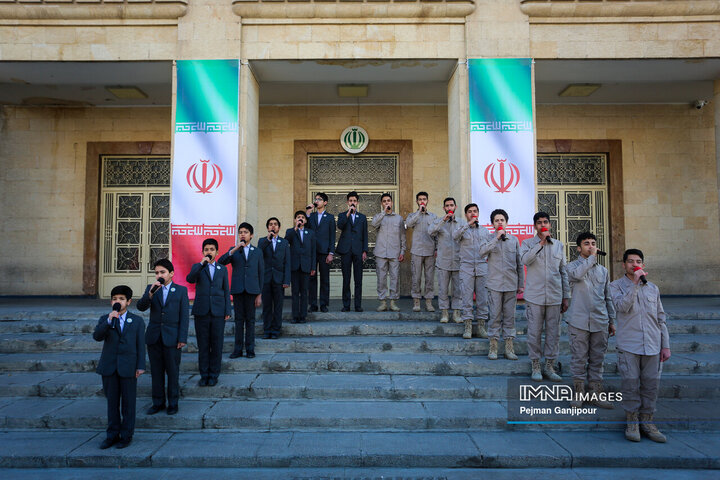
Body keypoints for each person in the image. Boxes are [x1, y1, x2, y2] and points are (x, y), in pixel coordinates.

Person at [611, 248, 671, 443]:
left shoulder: (653, 288)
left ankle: (648, 422)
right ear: (624, 265)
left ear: (643, 265)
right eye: (630, 261)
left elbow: (661, 318)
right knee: (630, 384)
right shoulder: (616, 286)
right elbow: (621, 307)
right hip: (629, 345)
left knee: (651, 386)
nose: (634, 264)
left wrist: (665, 345)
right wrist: (635, 284)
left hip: (653, 345)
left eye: (638, 261)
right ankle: (632, 422)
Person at [566, 232, 616, 408]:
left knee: (597, 359)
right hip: (579, 321)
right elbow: (578, 275)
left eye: (593, 243)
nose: (591, 246)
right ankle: (578, 393)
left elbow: (607, 297)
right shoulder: (571, 267)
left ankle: (596, 394)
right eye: (586, 243)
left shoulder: (603, 271)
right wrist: (592, 258)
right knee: (579, 359)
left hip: (600, 320)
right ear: (579, 248)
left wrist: (612, 320)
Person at [93, 285, 145, 449]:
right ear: (111, 302)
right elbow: (97, 336)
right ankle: (112, 435)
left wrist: (140, 366)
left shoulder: (137, 321)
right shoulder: (105, 319)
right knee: (112, 403)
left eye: (121, 299)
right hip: (109, 367)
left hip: (128, 367)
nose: (118, 302)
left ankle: (126, 435)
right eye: (115, 299)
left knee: (128, 404)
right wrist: (109, 320)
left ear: (128, 302)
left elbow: (140, 346)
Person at [519, 212, 570, 382]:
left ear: (550, 224)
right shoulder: (527, 243)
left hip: (555, 296)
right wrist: (540, 244)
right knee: (534, 332)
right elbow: (525, 260)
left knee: (553, 333)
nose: (543, 225)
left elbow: (563, 271)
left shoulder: (558, 245)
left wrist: (566, 296)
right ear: (535, 226)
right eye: (539, 223)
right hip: (535, 296)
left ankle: (549, 366)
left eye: (546, 222)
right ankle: (535, 365)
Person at [137, 258, 189, 416]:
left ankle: (173, 403)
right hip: (154, 337)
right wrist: (151, 293)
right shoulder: (151, 289)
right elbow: (141, 307)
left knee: (173, 372)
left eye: (163, 272)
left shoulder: (180, 291)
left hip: (172, 337)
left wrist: (182, 338)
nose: (159, 275)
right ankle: (158, 402)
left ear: (171, 273)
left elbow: (184, 316)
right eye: (157, 273)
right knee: (156, 372)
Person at [186, 238, 232, 387]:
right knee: (203, 345)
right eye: (206, 250)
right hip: (202, 312)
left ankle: (214, 375)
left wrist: (227, 310)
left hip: (218, 312)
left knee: (216, 345)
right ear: (202, 252)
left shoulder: (222, 269)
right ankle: (204, 375)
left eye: (212, 249)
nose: (209, 252)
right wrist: (201, 264)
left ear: (217, 252)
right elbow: (190, 279)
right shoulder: (198, 267)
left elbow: (226, 291)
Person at [478, 209, 524, 360]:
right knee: (495, 316)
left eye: (502, 220)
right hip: (494, 285)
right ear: (492, 224)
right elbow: (482, 253)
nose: (499, 222)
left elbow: (519, 263)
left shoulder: (514, 240)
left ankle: (509, 348)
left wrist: (521, 284)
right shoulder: (488, 238)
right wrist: (496, 239)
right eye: (496, 220)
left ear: (506, 222)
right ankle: (493, 347)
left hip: (511, 284)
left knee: (510, 317)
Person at [218, 222, 264, 359]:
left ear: (251, 235)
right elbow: (221, 262)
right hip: (238, 290)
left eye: (245, 232)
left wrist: (259, 294)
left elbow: (261, 273)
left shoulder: (257, 252)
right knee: (238, 321)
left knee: (250, 321)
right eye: (240, 232)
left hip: (252, 291)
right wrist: (235, 249)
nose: (242, 234)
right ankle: (237, 349)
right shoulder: (234, 250)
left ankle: (250, 349)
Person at [453, 203, 490, 339]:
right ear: (466, 214)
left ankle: (481, 326)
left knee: (482, 299)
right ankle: (467, 326)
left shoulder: (485, 231)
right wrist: (468, 225)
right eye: (469, 212)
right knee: (466, 298)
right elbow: (455, 236)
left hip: (481, 266)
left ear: (478, 213)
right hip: (466, 267)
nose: (473, 213)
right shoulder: (462, 229)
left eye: (475, 211)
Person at [429, 197, 462, 324]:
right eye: (447, 206)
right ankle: (444, 313)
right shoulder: (438, 222)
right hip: (443, 262)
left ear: (455, 207)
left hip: (458, 261)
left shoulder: (462, 223)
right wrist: (443, 220)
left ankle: (456, 313)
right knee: (443, 289)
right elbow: (430, 232)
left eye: (451, 205)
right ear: (444, 208)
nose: (449, 208)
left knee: (457, 290)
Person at [371, 193, 407, 312]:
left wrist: (402, 251)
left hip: (395, 253)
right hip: (381, 252)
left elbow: (403, 236)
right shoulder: (378, 216)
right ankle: (382, 302)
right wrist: (383, 213)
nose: (387, 203)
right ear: (382, 204)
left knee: (394, 278)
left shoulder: (399, 218)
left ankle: (393, 302)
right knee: (381, 278)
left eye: (388, 201)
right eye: (384, 201)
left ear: (392, 203)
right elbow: (373, 224)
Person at [258, 217, 291, 338]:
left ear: (279, 227)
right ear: (267, 227)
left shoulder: (284, 242)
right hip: (266, 279)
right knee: (266, 307)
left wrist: (286, 280)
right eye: (270, 224)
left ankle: (276, 330)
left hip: (279, 279)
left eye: (275, 224)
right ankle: (267, 331)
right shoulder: (262, 241)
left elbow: (287, 262)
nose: (273, 226)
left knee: (278, 307)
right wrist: (268, 240)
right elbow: (259, 254)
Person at [405, 191, 438, 312]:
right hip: (417, 251)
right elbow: (408, 224)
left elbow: (437, 234)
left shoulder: (433, 217)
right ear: (417, 202)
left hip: (430, 251)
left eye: (424, 199)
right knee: (416, 277)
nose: (422, 201)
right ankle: (416, 301)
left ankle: (429, 302)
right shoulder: (412, 215)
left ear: (428, 200)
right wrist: (419, 212)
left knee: (429, 278)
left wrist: (437, 249)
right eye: (420, 199)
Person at [336, 191, 368, 312]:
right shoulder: (342, 215)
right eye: (350, 201)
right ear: (347, 202)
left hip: (358, 251)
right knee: (346, 279)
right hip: (346, 251)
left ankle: (358, 305)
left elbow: (365, 235)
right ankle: (346, 305)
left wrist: (365, 250)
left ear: (357, 202)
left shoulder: (363, 217)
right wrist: (348, 213)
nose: (352, 203)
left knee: (358, 279)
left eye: (354, 201)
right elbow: (340, 226)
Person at [306, 192, 336, 313]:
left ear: (325, 202)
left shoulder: (329, 217)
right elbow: (305, 229)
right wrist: (307, 214)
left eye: (319, 199)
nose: (317, 201)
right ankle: (313, 304)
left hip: (324, 252)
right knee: (311, 278)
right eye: (316, 199)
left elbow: (332, 236)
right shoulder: (311, 216)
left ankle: (324, 304)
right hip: (312, 251)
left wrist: (331, 253)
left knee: (324, 279)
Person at [285, 211, 317, 324]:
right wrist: (295, 228)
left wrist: (313, 266)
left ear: (306, 220)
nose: (300, 219)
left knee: (304, 292)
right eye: (298, 217)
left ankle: (303, 315)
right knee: (295, 292)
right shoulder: (290, 231)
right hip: (294, 266)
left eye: (302, 217)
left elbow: (313, 251)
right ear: (295, 220)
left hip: (306, 266)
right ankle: (295, 316)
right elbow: (286, 241)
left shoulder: (311, 233)